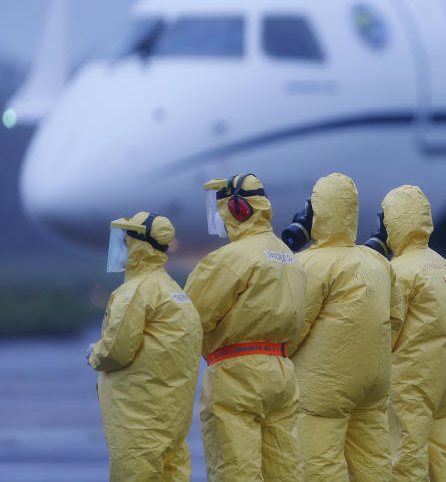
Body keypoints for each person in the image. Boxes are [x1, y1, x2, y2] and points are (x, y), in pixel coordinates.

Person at [185, 174, 306, 482]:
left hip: (236, 374)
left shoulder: (229, 258)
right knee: (284, 469)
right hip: (281, 372)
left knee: (235, 470)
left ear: (237, 209)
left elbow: (190, 319)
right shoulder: (288, 257)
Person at [287, 172, 403, 482]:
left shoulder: (307, 264)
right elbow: (395, 320)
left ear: (317, 212)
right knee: (374, 463)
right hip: (373, 383)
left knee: (320, 465)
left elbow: (293, 326)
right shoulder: (377, 262)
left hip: (323, 387)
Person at [89, 212, 202, 481]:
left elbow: (117, 350)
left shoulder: (135, 292)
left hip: (138, 418)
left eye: (126, 240)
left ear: (137, 244)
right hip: (172, 417)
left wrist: (94, 354)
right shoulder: (175, 291)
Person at [380, 185, 446, 482]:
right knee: (444, 455)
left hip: (412, 381)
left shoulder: (398, 270)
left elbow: (387, 328)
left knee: (405, 455)